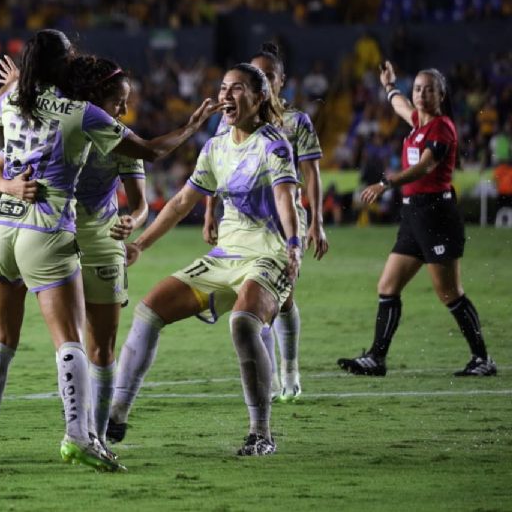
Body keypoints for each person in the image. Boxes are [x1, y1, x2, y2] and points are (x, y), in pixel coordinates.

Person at [0, 29, 219, 471]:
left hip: (1, 227)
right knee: (70, 340)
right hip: (45, 228)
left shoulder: (8, 101)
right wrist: (194, 125)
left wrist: (14, 82)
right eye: (69, 54)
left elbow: (13, 102)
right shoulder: (81, 114)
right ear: (61, 65)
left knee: (1, 338)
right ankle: (79, 436)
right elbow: (150, 150)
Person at [107, 63, 303, 456]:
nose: (226, 95)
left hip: (270, 254)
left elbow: (284, 196)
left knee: (244, 325)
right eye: (223, 88)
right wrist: (141, 245)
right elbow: (181, 203)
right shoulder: (216, 147)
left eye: (237, 89)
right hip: (225, 256)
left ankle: (261, 433)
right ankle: (115, 416)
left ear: (259, 97)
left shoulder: (273, 144)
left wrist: (295, 244)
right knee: (148, 311)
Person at [0, 55, 149, 450]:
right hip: (53, 232)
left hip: (102, 239)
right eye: (118, 101)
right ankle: (79, 434)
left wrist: (133, 222)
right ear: (97, 96)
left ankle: (99, 435)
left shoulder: (120, 137)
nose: (124, 110)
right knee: (69, 340)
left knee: (102, 347)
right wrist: (10, 187)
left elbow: (141, 203)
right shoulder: (55, 123)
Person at [337, 62, 497, 377]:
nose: (422, 94)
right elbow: (400, 105)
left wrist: (386, 183)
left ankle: (483, 359)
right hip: (413, 215)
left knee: (449, 293)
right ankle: (376, 358)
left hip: (437, 215)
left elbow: (425, 167)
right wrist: (389, 85)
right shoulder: (416, 123)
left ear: (441, 94)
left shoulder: (442, 127)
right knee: (387, 286)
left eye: (429, 89)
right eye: (418, 89)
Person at [201, 42, 328, 401]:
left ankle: (289, 369)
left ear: (280, 80)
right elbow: (214, 166)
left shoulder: (296, 122)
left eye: (269, 76)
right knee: (253, 300)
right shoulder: (229, 121)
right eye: (256, 76)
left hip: (284, 225)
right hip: (242, 226)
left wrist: (316, 221)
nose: (264, 82)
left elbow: (312, 173)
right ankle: (271, 377)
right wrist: (210, 212)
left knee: (282, 299)